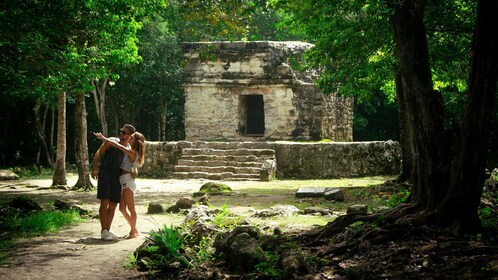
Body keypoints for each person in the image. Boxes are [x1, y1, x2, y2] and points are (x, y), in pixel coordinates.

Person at [94, 130, 145, 238]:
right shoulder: (131, 150)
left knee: (129, 208)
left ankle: (133, 232)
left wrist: (103, 138)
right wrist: (134, 169)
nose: (128, 137)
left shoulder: (129, 150)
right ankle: (108, 230)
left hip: (126, 182)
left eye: (131, 136)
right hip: (121, 181)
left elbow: (117, 146)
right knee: (121, 208)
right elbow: (132, 164)